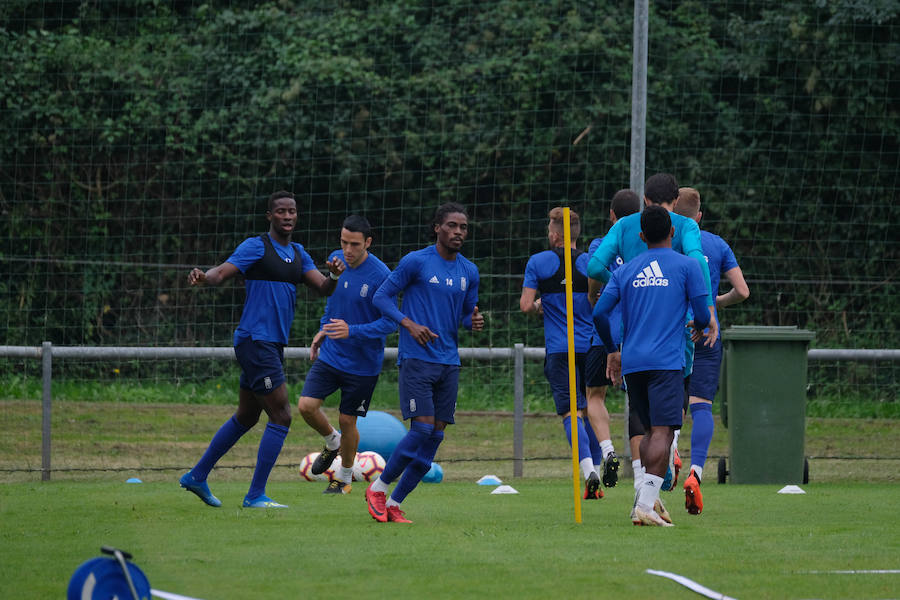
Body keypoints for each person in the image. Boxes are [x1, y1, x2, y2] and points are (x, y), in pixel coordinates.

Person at [180, 190, 343, 509]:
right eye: (281, 211)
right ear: (270, 216)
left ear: (297, 216)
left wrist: (335, 274)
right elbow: (221, 272)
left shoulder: (298, 254)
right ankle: (255, 495)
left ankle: (197, 476)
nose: (287, 216)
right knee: (281, 416)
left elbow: (323, 288)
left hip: (268, 344)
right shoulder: (256, 246)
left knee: (247, 415)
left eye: (292, 211)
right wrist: (204, 276)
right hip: (256, 340)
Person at [588, 173, 719, 491]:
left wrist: (623, 281)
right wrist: (708, 312)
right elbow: (697, 262)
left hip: (631, 336)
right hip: (675, 333)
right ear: (675, 202)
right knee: (670, 414)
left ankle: (642, 485)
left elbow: (593, 268)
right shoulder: (685, 228)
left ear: (645, 200)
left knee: (641, 417)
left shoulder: (623, 227)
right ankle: (668, 456)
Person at [364, 202, 484, 523]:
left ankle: (393, 503)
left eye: (464, 227)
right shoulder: (415, 262)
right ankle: (377, 488)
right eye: (452, 226)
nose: (458, 232)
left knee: (435, 437)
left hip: (449, 362)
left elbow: (463, 315)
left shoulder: (469, 271)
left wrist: (471, 321)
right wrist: (409, 324)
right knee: (421, 429)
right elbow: (380, 297)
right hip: (416, 359)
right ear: (437, 228)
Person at [297, 215, 397, 495]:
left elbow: (390, 323)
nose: (347, 250)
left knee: (347, 420)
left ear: (368, 242)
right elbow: (333, 303)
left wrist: (352, 331)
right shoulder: (336, 261)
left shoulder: (382, 276)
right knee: (306, 406)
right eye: (343, 243)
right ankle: (332, 442)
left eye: (354, 244)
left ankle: (343, 477)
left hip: (363, 364)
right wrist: (323, 330)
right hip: (332, 355)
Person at [520, 207, 607, 500]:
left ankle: (588, 472)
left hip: (560, 350)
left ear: (555, 234)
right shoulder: (591, 263)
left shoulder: (538, 262)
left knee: (572, 413)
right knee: (592, 408)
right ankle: (596, 469)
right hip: (592, 347)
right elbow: (602, 302)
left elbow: (525, 306)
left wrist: (538, 307)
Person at [674, 187, 750, 514]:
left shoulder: (667, 242)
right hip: (707, 331)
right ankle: (696, 473)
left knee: (672, 404)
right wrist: (717, 302)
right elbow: (742, 291)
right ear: (700, 216)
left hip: (675, 334)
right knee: (702, 405)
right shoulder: (717, 245)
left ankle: (670, 455)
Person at [586, 190, 642, 490]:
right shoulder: (644, 245)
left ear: (611, 215)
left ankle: (607, 451)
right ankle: (645, 471)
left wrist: (600, 291)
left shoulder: (601, 245)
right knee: (639, 402)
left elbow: (591, 281)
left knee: (594, 396)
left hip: (605, 331)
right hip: (638, 333)